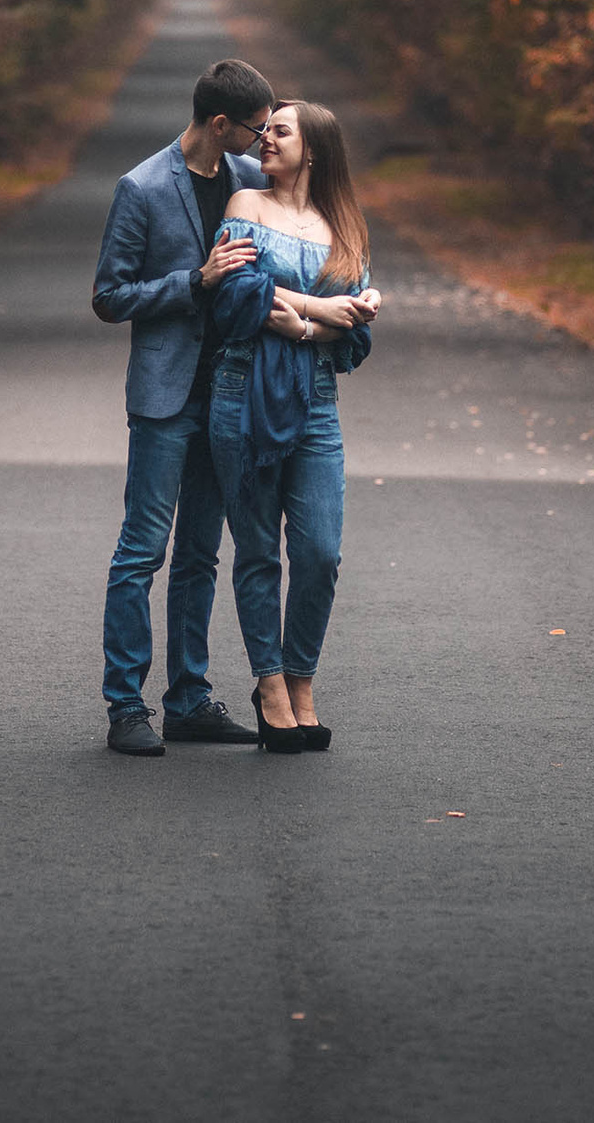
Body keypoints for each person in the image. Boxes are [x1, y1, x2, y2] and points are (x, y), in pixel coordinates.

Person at [89, 59, 278, 756]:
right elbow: (110, 296)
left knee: (202, 553)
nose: (262, 142)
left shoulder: (251, 182)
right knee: (143, 550)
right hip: (166, 399)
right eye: (255, 129)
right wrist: (192, 282)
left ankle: (189, 699)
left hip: (229, 397)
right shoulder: (140, 188)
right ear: (219, 123)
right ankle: (124, 707)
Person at [207, 100, 380, 754]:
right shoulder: (246, 206)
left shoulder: (345, 230)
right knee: (257, 550)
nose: (264, 139)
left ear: (314, 150)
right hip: (240, 386)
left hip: (317, 398)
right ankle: (273, 686)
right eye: (265, 130)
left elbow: (351, 335)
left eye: (280, 130)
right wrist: (321, 309)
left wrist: (336, 315)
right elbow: (237, 297)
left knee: (319, 553)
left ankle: (302, 675)